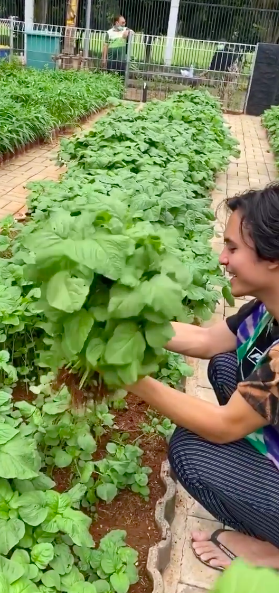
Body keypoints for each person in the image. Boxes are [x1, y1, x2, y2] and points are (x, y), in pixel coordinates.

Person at [127, 184, 279, 572]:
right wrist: (129, 324)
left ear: (273, 257)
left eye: (232, 248)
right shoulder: (267, 306)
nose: (222, 259)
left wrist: (132, 378)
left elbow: (223, 426)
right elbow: (208, 339)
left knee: (192, 452)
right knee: (227, 364)